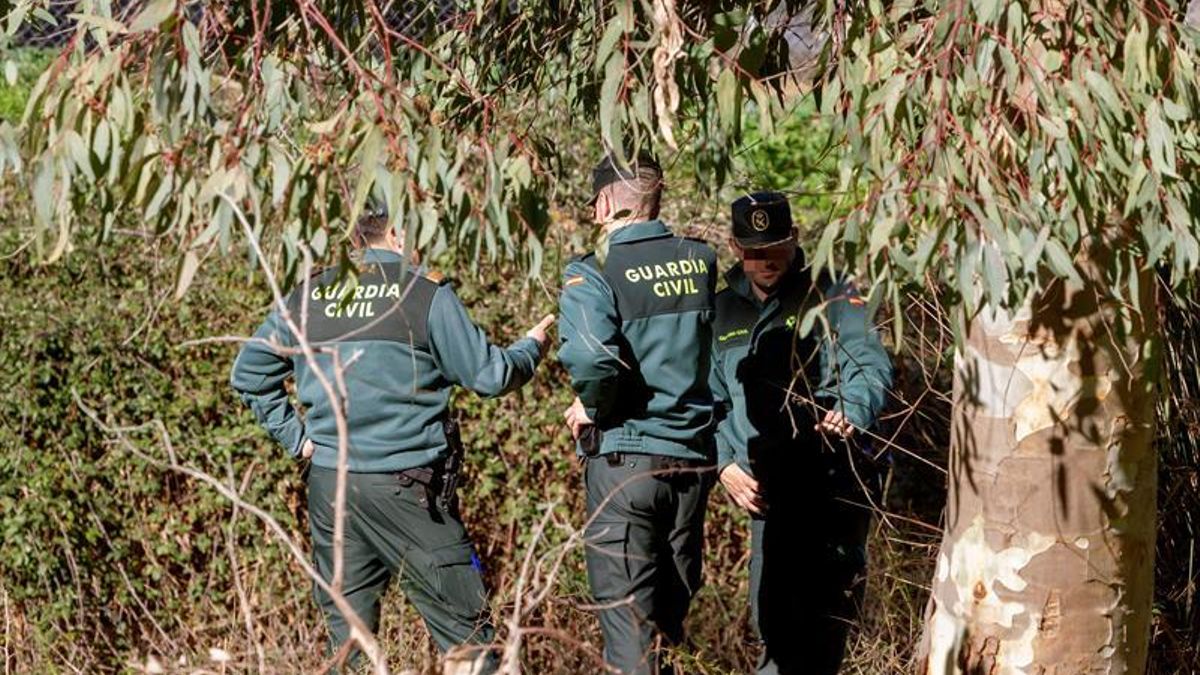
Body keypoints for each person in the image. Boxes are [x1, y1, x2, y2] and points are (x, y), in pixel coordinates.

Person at [230, 203, 555, 670]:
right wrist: (532, 347)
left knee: (349, 646)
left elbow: (249, 373)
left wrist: (297, 439)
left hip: (330, 488)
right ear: (399, 234)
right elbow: (490, 376)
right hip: (409, 490)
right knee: (470, 638)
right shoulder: (423, 295)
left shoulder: (310, 295)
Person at [709, 192, 892, 675]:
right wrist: (724, 464)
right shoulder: (721, 310)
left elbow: (869, 364)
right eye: (753, 251)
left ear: (794, 240)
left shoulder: (831, 293)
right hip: (767, 497)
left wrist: (852, 409)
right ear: (734, 247)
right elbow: (707, 402)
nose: (766, 261)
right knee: (771, 626)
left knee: (823, 629)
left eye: (776, 248)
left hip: (830, 486)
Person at [557, 152, 719, 675]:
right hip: (692, 466)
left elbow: (590, 356)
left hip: (627, 463)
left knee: (630, 639)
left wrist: (593, 404)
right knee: (667, 632)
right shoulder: (700, 259)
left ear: (606, 203)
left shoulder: (595, 270)